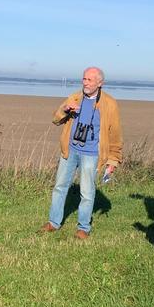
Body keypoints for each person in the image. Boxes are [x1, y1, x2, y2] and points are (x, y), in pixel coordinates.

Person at [40, 67, 123, 239]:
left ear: (100, 83)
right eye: (84, 79)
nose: (85, 83)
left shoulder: (110, 104)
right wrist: (65, 109)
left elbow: (115, 134)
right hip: (70, 150)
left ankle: (83, 228)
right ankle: (53, 222)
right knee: (59, 187)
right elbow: (56, 119)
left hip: (92, 154)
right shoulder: (75, 97)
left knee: (87, 191)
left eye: (89, 80)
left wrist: (113, 160)